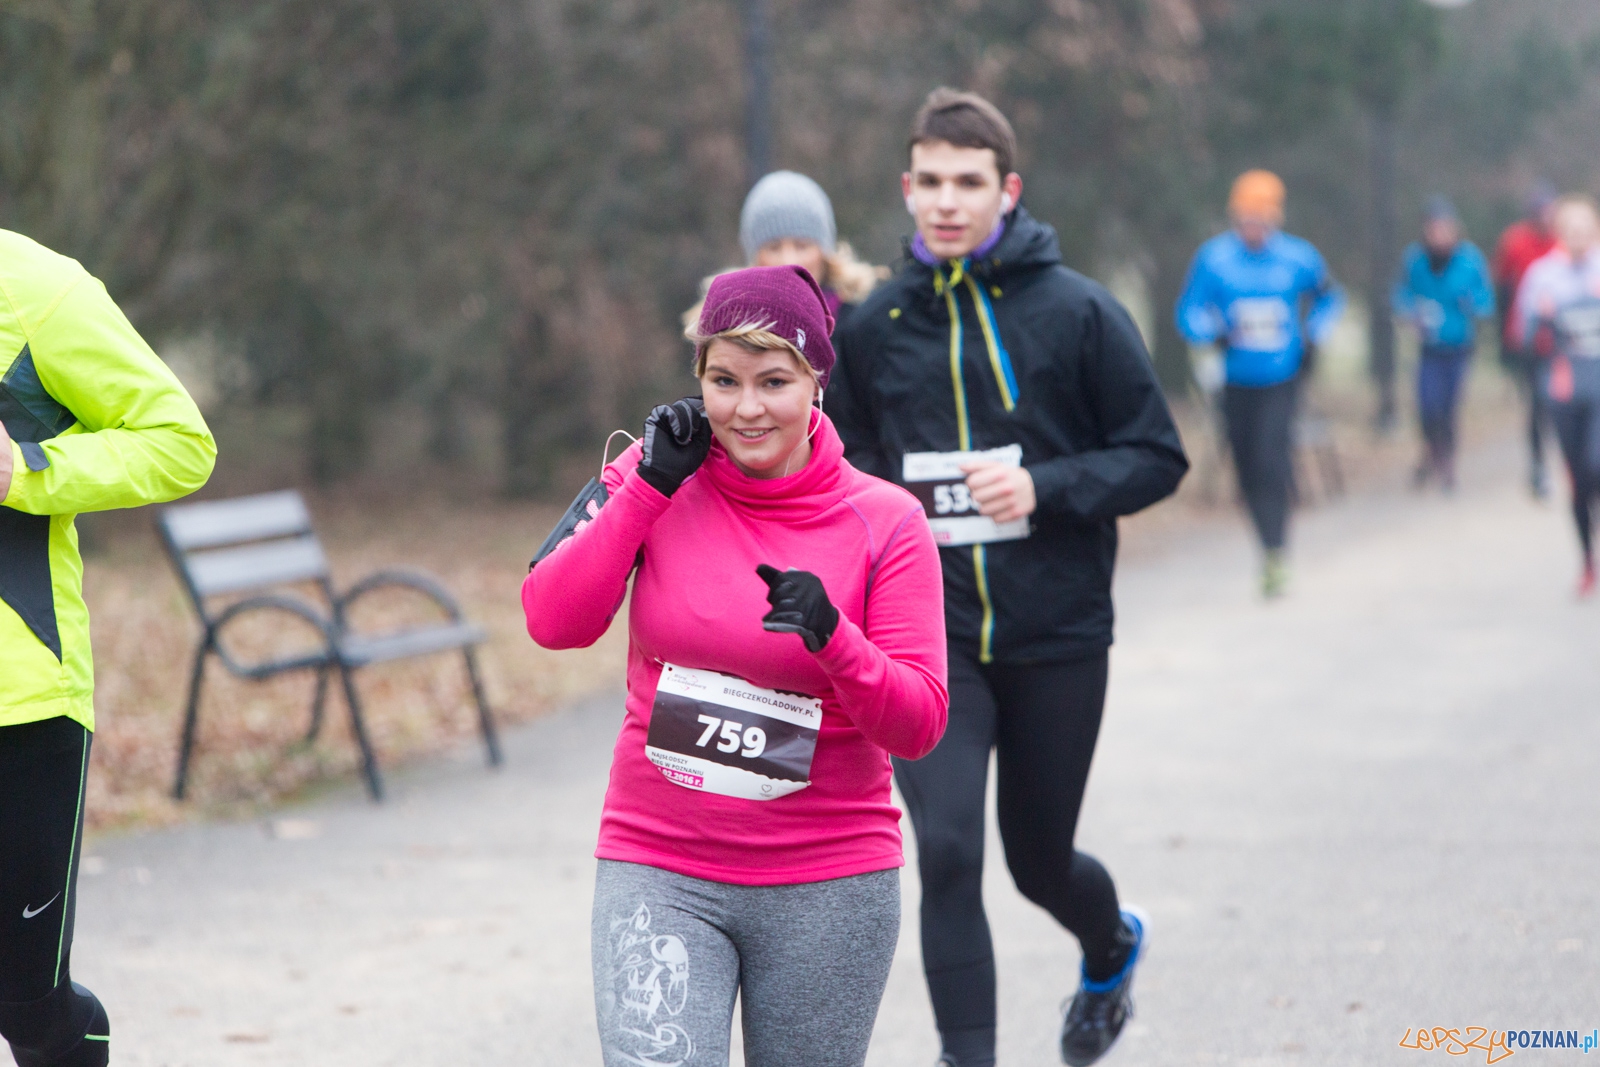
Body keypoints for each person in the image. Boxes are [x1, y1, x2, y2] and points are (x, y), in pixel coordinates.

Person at [827, 88, 1188, 1067]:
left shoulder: (1078, 311)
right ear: (906, 189)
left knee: (1036, 863)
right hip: (926, 637)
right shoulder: (872, 326)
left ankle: (1109, 946)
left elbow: (1157, 455)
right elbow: (841, 466)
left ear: (1007, 189)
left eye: (968, 183)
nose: (947, 202)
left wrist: (1043, 485)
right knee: (945, 851)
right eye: (930, 183)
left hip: (1056, 631)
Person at [523, 265, 949, 1067]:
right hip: (659, 861)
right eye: (724, 380)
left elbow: (920, 722)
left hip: (826, 877)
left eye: (773, 381)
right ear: (698, 381)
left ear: (817, 380)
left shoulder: (886, 522)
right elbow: (551, 619)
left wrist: (834, 636)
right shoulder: (651, 479)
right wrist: (647, 487)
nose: (747, 408)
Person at [1, 228, 216, 1066]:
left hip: (21, 703)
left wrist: (26, 469)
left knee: (26, 1000)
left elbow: (179, 441)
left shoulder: (36, 289)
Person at [1176, 170, 1344, 598]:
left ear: (1274, 219)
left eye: (1260, 217)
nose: (1252, 225)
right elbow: (1189, 311)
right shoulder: (1214, 259)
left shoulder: (1298, 258)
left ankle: (1276, 550)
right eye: (1245, 217)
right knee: (1248, 467)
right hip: (1235, 380)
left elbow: (1329, 298)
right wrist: (1210, 332)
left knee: (1272, 460)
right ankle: (1266, 542)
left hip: (1282, 377)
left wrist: (1313, 333)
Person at [1514, 195, 1600, 596]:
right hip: (1565, 393)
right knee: (1579, 481)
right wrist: (1542, 323)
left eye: (1587, 226)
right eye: (1572, 227)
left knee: (1597, 464)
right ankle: (1586, 561)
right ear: (1561, 232)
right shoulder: (1542, 276)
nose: (1580, 234)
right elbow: (1524, 339)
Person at [684, 170, 885, 335]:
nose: (789, 260)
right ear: (754, 257)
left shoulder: (861, 327)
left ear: (824, 253)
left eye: (801, 245)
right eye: (774, 247)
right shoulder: (727, 330)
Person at [1392, 196, 1495, 491]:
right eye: (1435, 229)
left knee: (1449, 408)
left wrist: (1473, 305)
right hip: (1428, 347)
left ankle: (1447, 464)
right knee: (1427, 406)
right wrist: (1410, 313)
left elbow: (1485, 299)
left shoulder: (1470, 259)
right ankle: (1430, 452)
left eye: (1446, 228)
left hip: (1459, 345)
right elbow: (1401, 294)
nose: (1440, 235)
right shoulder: (1415, 259)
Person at [1493, 181, 1559, 497]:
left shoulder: (1566, 242)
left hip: (1566, 343)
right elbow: (1503, 290)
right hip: (1529, 340)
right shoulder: (1514, 241)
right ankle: (1538, 466)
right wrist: (1506, 340)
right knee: (1538, 405)